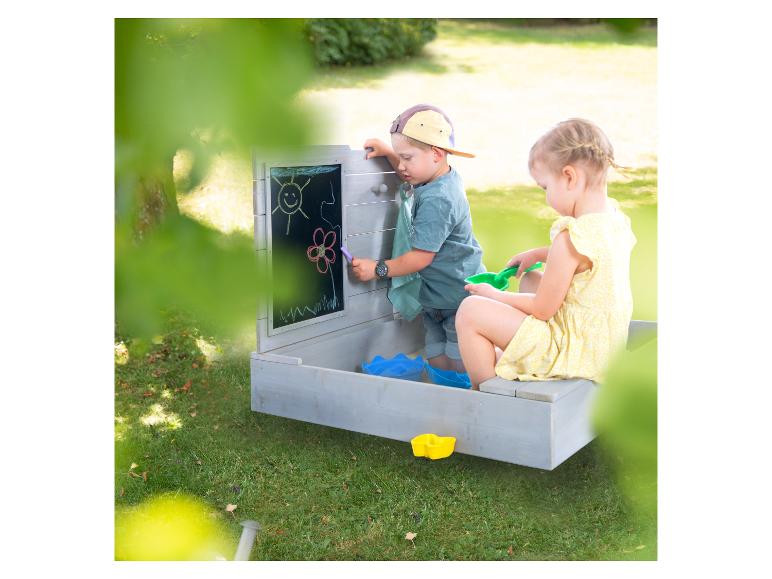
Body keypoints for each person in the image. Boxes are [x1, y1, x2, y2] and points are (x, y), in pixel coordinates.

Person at [455, 118, 636, 389]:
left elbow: (542, 309)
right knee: (531, 277)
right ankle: (511, 358)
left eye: (545, 187)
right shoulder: (613, 219)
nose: (546, 197)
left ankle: (486, 393)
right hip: (604, 345)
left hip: (576, 354)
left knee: (471, 311)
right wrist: (539, 254)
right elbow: (591, 260)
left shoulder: (570, 237)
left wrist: (497, 296)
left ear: (569, 177)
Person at [351, 104, 484, 373]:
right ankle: (444, 402)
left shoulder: (440, 198)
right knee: (437, 360)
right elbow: (411, 176)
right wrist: (391, 155)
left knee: (460, 364)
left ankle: (469, 401)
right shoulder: (435, 177)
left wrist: (378, 269)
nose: (402, 166)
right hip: (437, 299)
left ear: (435, 154)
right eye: (400, 157)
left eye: (407, 157)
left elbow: (420, 258)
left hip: (460, 299)